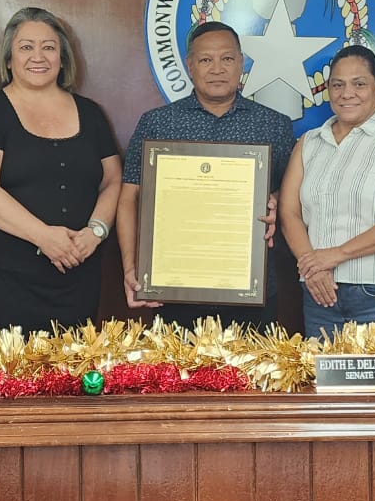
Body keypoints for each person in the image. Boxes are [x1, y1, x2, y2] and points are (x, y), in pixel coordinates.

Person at [118, 20, 295, 330]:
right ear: (190, 66)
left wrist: (277, 202)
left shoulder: (274, 125)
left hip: (251, 289)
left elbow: (293, 196)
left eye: (227, 59)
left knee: (254, 378)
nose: (217, 69)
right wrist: (130, 266)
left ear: (241, 63)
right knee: (179, 379)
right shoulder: (157, 124)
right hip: (173, 288)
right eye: (205, 60)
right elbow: (128, 198)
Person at [0, 7, 121, 336]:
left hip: (76, 274)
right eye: (26, 47)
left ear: (62, 59)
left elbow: (113, 180)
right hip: (1, 280)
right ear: (8, 59)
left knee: (69, 379)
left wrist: (96, 231)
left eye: (48, 47)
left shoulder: (90, 114)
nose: (38, 56)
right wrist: (44, 237)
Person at [279, 44, 375, 338]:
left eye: (359, 84)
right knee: (323, 385)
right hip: (320, 292)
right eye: (338, 85)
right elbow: (289, 213)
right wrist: (315, 267)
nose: (347, 93)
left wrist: (334, 256)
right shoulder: (309, 143)